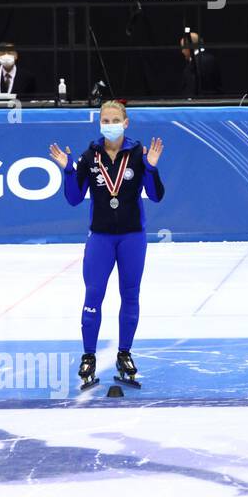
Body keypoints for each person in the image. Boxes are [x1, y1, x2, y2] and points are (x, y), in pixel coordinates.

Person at [50, 102, 164, 390]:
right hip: (100, 238)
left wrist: (150, 168)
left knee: (130, 294)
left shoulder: (138, 154)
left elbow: (156, 195)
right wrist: (67, 170)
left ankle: (124, 354)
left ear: (126, 123)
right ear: (99, 123)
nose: (109, 123)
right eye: (105, 119)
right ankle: (88, 357)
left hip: (132, 237)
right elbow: (74, 198)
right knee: (93, 295)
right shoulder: (90, 156)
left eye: (115, 119)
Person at [180, 31, 222, 97]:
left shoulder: (193, 65)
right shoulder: (212, 59)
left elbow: (191, 90)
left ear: (189, 47)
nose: (182, 51)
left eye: (183, 48)